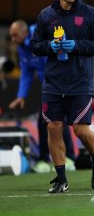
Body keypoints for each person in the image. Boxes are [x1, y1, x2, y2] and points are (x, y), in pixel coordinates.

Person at [30, 0, 94, 193]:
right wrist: (50, 46)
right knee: (54, 128)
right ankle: (61, 179)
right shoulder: (46, 15)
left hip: (80, 82)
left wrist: (76, 46)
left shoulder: (89, 14)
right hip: (53, 83)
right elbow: (35, 46)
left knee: (80, 130)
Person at [8, 20, 76, 173]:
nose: (12, 39)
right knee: (44, 121)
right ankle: (45, 159)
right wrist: (21, 96)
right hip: (49, 85)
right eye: (11, 36)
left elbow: (58, 57)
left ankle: (69, 157)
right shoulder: (22, 47)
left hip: (62, 80)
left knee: (58, 119)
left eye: (15, 35)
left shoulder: (42, 33)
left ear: (25, 33)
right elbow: (26, 71)